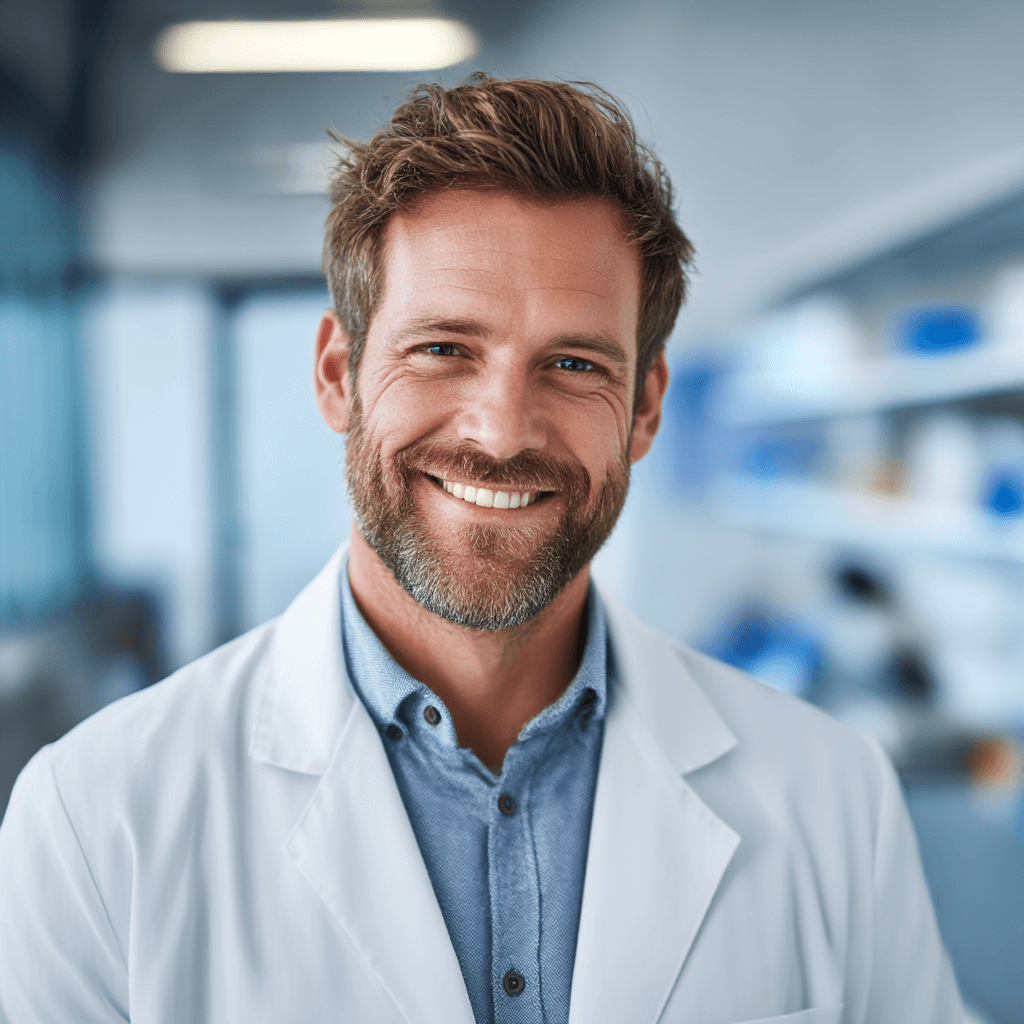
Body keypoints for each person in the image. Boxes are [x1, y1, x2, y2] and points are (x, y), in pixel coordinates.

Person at [0, 75, 962, 1024]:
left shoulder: (834, 799)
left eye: (576, 364)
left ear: (646, 407)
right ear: (340, 376)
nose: (502, 433)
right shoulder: (97, 822)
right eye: (443, 349)